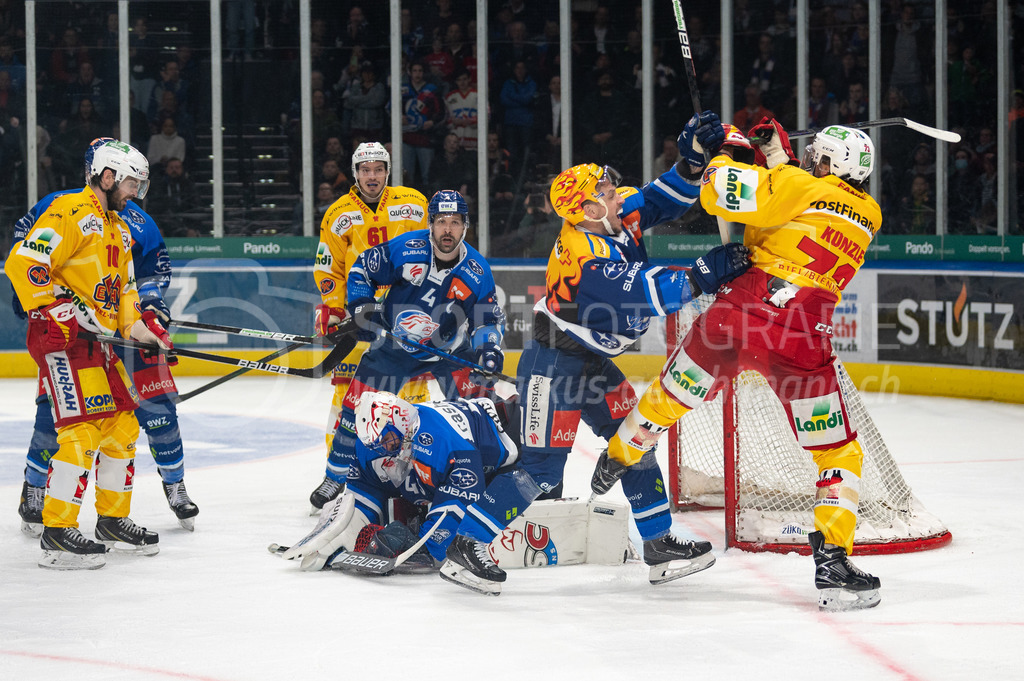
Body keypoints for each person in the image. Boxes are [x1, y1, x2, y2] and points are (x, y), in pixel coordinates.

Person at [438, 112, 752, 596]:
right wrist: (704, 272)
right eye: (606, 191)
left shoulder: (611, 214)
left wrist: (691, 160)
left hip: (589, 362)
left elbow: (662, 197)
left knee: (636, 439)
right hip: (553, 364)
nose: (617, 195)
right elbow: (651, 292)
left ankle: (658, 543)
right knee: (542, 470)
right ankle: (467, 545)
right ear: (586, 210)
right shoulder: (583, 258)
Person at [596, 117, 884, 611]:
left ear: (828, 163)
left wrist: (727, 151)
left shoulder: (798, 184)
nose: (808, 160)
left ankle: (621, 453)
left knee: (675, 393)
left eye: (816, 156)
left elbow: (719, 195)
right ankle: (833, 561)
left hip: (737, 316)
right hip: (802, 336)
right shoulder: (868, 213)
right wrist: (775, 154)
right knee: (837, 451)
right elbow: (787, 210)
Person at [13, 137, 200, 540]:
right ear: (108, 176)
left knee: (122, 428)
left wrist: (145, 331)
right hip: (65, 342)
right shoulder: (69, 211)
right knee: (80, 431)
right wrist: (51, 308)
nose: (136, 194)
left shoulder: (118, 227)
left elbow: (126, 295)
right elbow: (25, 261)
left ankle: (111, 521)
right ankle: (58, 530)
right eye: (133, 184)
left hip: (100, 343)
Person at [316, 189, 506, 521]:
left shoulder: (477, 271)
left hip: (448, 352)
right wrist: (361, 305)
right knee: (355, 408)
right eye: (442, 221)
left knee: (480, 409)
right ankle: (336, 476)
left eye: (455, 223)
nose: (448, 230)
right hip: (394, 346)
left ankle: (488, 478)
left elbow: (487, 320)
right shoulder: (407, 248)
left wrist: (489, 350)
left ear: (466, 226)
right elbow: (362, 269)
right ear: (430, 223)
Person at [308, 142, 430, 512]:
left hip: (406, 318)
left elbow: (432, 256)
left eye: (378, 169)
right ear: (355, 173)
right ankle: (340, 476)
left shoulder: (414, 203)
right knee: (348, 401)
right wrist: (334, 309)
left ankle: (417, 475)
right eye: (365, 170)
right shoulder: (338, 213)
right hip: (359, 318)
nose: (372, 176)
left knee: (414, 401)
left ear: (388, 171)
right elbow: (328, 267)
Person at [283, 390, 519, 571]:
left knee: (524, 486)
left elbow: (463, 494)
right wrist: (340, 535)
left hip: (506, 440)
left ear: (401, 422)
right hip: (459, 450)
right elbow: (362, 493)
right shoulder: (374, 445)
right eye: (375, 444)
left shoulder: (440, 440)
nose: (382, 449)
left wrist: (424, 544)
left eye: (386, 439)